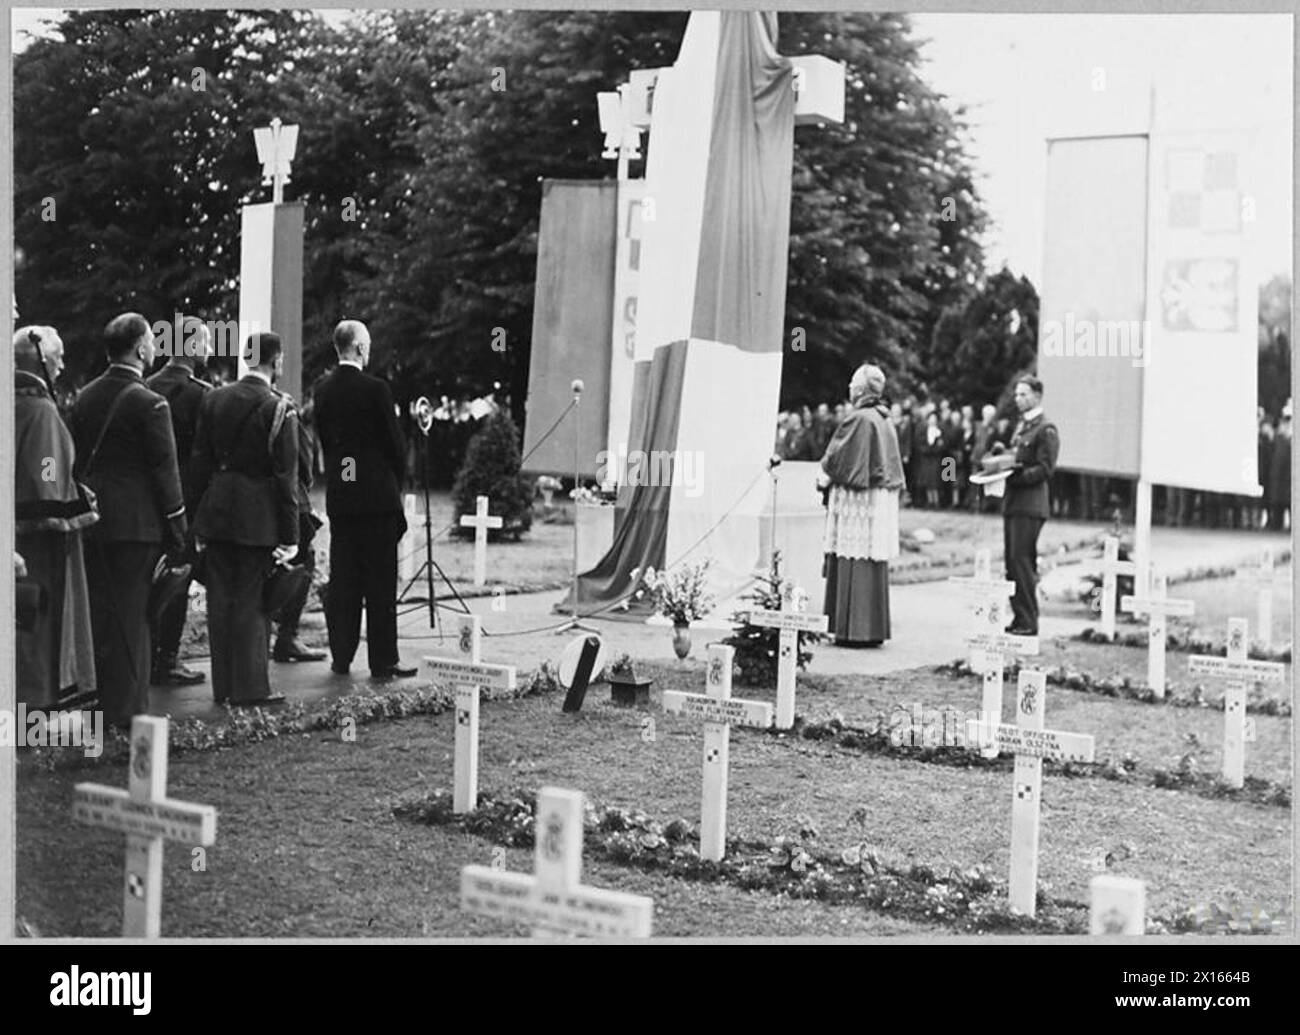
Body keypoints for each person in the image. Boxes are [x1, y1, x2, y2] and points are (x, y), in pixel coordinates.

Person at [69, 314, 187, 728]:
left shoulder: (83, 397)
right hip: (137, 527)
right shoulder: (150, 401)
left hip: (93, 520)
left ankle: (103, 705)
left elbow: (72, 463)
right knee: (135, 619)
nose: (155, 347)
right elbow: (165, 473)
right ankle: (129, 711)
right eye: (152, 342)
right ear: (140, 348)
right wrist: (178, 532)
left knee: (103, 614)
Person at [190, 332, 299, 705]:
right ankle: (250, 688)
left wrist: (194, 518)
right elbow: (287, 478)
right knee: (254, 602)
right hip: (258, 515)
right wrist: (291, 534)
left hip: (217, 509)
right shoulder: (280, 408)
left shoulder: (214, 398)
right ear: (276, 361)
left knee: (220, 601)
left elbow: (199, 462)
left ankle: (223, 687)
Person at [314, 319, 415, 679]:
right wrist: (394, 479)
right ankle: (383, 660)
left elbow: (329, 444)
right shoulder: (376, 390)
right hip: (376, 500)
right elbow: (394, 445)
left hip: (343, 497)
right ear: (358, 348)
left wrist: (348, 477)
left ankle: (341, 657)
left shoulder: (322, 390)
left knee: (345, 580)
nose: (369, 351)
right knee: (380, 583)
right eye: (367, 345)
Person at [14, 326, 96, 707]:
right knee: (40, 621)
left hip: (14, 532)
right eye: (58, 356)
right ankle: (39, 702)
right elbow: (46, 472)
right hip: (40, 543)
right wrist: (70, 496)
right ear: (43, 361)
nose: (63, 364)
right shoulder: (41, 409)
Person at [145, 318, 213, 686]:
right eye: (204, 341)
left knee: (150, 580)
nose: (208, 348)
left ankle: (147, 654)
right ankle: (167, 659)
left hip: (147, 502)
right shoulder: (201, 393)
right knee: (178, 581)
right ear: (189, 347)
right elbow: (204, 456)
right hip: (186, 502)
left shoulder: (147, 385)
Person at [817, 363, 904, 646]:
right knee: (868, 558)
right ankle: (870, 629)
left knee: (854, 557)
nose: (850, 387)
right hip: (876, 501)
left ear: (863, 389)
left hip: (860, 502)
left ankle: (852, 628)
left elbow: (837, 461)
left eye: (854, 382)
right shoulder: (884, 418)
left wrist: (823, 479)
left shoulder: (859, 419)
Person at [998, 375, 1059, 636]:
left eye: (1023, 394)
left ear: (1037, 395)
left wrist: (1016, 477)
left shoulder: (1045, 429)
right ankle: (1018, 617)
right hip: (1014, 502)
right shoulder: (1022, 426)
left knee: (1022, 562)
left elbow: (1045, 469)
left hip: (1030, 504)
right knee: (1012, 563)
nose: (1018, 399)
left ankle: (1028, 621)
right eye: (1017, 394)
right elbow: (1017, 457)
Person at [271, 389, 327, 662]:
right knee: (305, 562)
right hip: (293, 503)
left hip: (257, 504)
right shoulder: (289, 412)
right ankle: (288, 634)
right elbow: (304, 471)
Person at [1267, 406, 1291, 531]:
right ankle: (1276, 524)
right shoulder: (1279, 438)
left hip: (1289, 475)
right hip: (1279, 475)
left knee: (1289, 501)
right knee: (1278, 500)